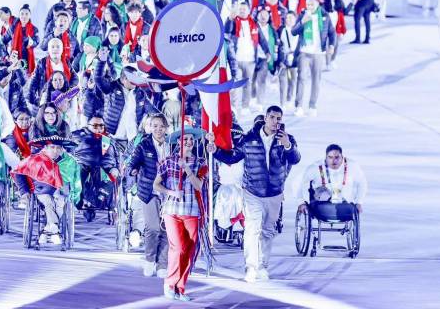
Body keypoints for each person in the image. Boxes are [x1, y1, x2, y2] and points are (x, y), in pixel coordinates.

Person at [212, 106, 300, 283]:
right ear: (265, 118)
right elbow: (232, 157)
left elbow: (296, 159)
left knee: (267, 231)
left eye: (279, 118)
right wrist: (215, 151)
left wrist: (288, 145)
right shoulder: (249, 138)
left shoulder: (286, 139)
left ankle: (262, 266)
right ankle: (251, 267)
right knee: (252, 229)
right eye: (273, 117)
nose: (276, 121)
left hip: (274, 193)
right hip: (253, 192)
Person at [153, 128, 209, 302]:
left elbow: (199, 185)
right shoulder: (168, 162)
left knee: (189, 251)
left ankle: (180, 287)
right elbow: (157, 185)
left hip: (192, 212)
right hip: (172, 211)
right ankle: (169, 283)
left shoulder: (201, 163)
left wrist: (188, 169)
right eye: (185, 139)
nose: (188, 142)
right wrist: (170, 191)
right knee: (177, 247)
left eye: (191, 139)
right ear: (178, 142)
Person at [125, 113, 170, 278]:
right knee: (152, 228)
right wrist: (133, 169)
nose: (158, 129)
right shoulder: (144, 144)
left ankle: (162, 264)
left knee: (166, 229)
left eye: (161, 126)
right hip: (149, 191)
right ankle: (149, 260)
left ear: (166, 128)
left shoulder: (171, 145)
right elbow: (133, 162)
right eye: (155, 126)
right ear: (150, 127)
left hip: (168, 192)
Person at [12, 134, 79, 245]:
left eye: (58, 148)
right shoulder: (34, 159)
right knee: (48, 201)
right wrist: (24, 192)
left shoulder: (70, 162)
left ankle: (47, 231)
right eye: (52, 147)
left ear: (62, 149)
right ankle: (53, 229)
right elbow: (18, 172)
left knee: (61, 201)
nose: (55, 150)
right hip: (42, 191)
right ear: (46, 148)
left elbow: (76, 181)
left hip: (62, 191)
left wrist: (75, 198)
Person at [95, 49, 158, 141]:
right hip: (112, 136)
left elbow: (151, 109)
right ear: (124, 79)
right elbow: (98, 79)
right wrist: (101, 62)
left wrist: (161, 118)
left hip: (132, 139)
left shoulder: (140, 93)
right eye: (132, 79)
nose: (135, 81)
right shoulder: (111, 87)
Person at [291, 0, 335, 117]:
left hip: (318, 53)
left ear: (317, 5)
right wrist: (302, 22)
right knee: (302, 78)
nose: (309, 7)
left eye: (312, 5)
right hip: (304, 52)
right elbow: (293, 32)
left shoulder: (325, 17)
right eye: (307, 5)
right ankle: (299, 106)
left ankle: (312, 105)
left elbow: (332, 32)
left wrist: (331, 45)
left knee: (316, 80)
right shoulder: (303, 15)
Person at [298, 144, 367, 213]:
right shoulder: (315, 167)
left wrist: (359, 202)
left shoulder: (352, 165)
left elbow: (362, 183)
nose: (333, 161)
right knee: (323, 193)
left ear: (342, 157)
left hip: (345, 204)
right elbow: (299, 183)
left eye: (337, 157)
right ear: (326, 157)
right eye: (330, 157)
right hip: (322, 204)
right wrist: (301, 202)